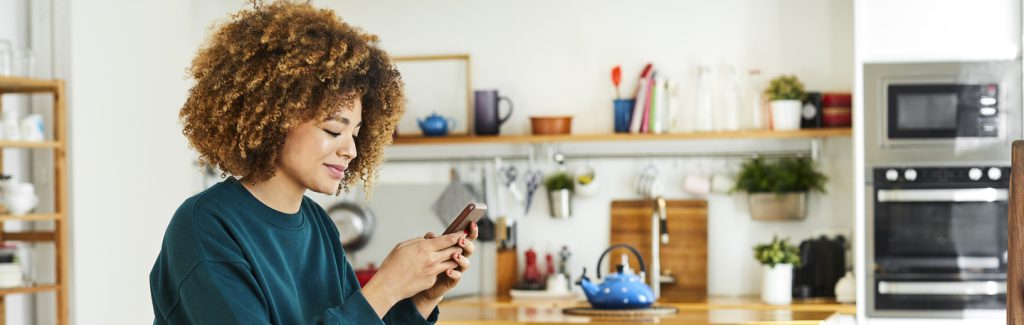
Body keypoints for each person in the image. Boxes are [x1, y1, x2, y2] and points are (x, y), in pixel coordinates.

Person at [149, 1, 478, 323]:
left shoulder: (319, 225)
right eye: (334, 129)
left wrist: (421, 297)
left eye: (356, 134)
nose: (350, 150)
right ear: (276, 116)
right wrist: (387, 286)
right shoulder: (205, 226)